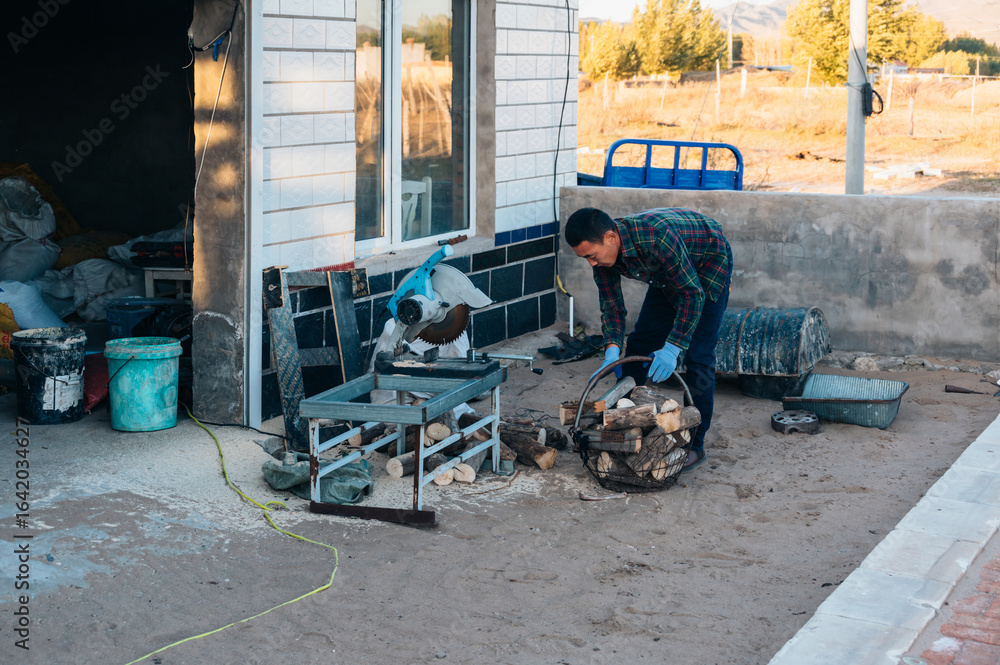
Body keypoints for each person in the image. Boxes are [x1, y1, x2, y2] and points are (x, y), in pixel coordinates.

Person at [565, 207, 733, 471]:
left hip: (708, 262)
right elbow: (612, 306)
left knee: (698, 356)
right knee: (640, 343)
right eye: (584, 258)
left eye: (592, 256)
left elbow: (692, 294)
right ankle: (623, 422)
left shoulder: (656, 238)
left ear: (610, 238)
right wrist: (612, 348)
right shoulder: (603, 257)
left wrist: (673, 347)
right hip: (667, 272)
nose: (591, 264)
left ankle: (694, 444)